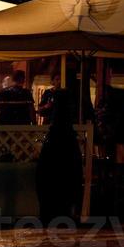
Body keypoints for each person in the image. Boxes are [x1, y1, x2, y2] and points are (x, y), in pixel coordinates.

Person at [36, 89, 84, 225]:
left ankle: (50, 212)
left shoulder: (55, 130)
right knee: (68, 176)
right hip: (66, 140)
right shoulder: (68, 132)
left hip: (56, 139)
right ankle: (66, 211)